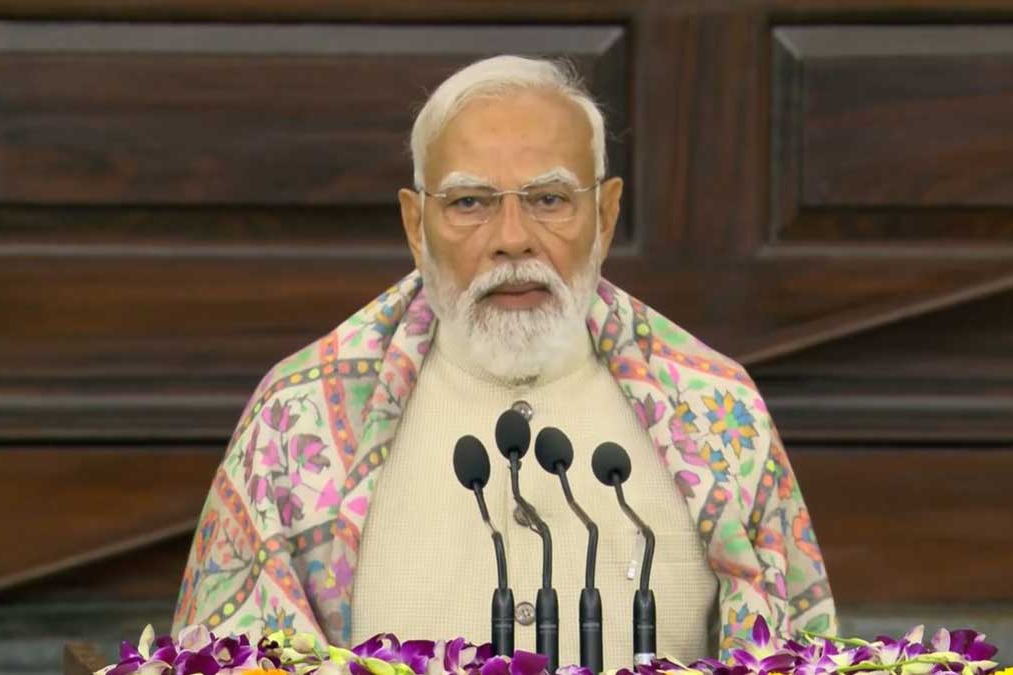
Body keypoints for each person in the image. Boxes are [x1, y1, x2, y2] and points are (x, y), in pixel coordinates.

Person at [173, 55, 835, 666]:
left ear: (604, 216)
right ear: (415, 226)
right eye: (469, 203)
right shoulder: (297, 418)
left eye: (549, 199)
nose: (512, 240)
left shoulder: (719, 412)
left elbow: (803, 653)